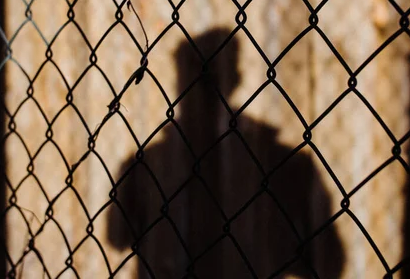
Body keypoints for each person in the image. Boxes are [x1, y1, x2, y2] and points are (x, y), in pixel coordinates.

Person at [107, 28, 344, 278]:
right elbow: (328, 260)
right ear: (235, 79)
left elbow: (118, 236)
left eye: (207, 78)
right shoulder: (281, 162)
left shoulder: (282, 165)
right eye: (197, 75)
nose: (201, 90)